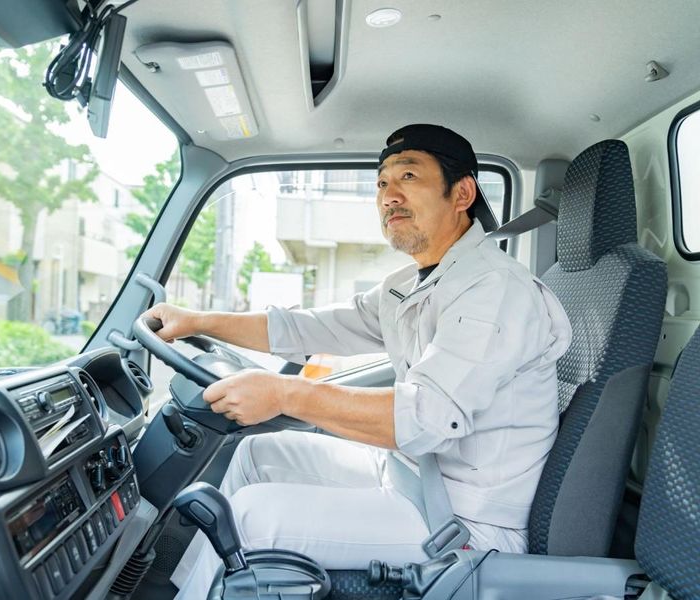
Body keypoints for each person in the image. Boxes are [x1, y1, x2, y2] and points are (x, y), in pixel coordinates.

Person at [145, 124, 573, 599]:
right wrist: (197, 321)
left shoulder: (496, 290)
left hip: (466, 522)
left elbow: (425, 418)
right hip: (417, 476)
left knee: (250, 516)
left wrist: (285, 394)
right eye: (381, 182)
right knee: (256, 454)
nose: (389, 196)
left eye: (408, 176)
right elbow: (305, 328)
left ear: (462, 193)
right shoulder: (411, 284)